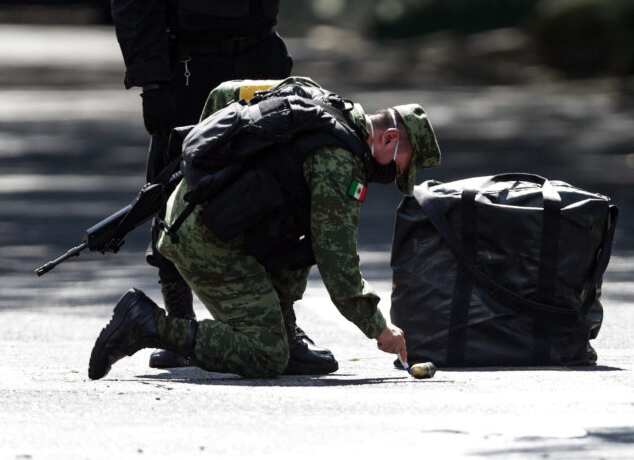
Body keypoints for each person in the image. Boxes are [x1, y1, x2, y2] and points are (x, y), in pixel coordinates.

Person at [87, 79, 441, 379]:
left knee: (302, 230)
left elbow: (226, 93)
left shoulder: (311, 94)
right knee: (267, 354)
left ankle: (286, 331)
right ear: (390, 138)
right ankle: (147, 324)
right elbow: (339, 266)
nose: (392, 177)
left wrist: (210, 171)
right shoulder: (340, 165)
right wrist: (380, 328)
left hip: (190, 209)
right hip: (208, 242)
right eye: (401, 169)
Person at [110, 0, 331, 370]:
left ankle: (285, 327)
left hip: (259, 62)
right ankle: (178, 324)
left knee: (281, 192)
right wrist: (152, 81)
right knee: (174, 193)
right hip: (190, 68)